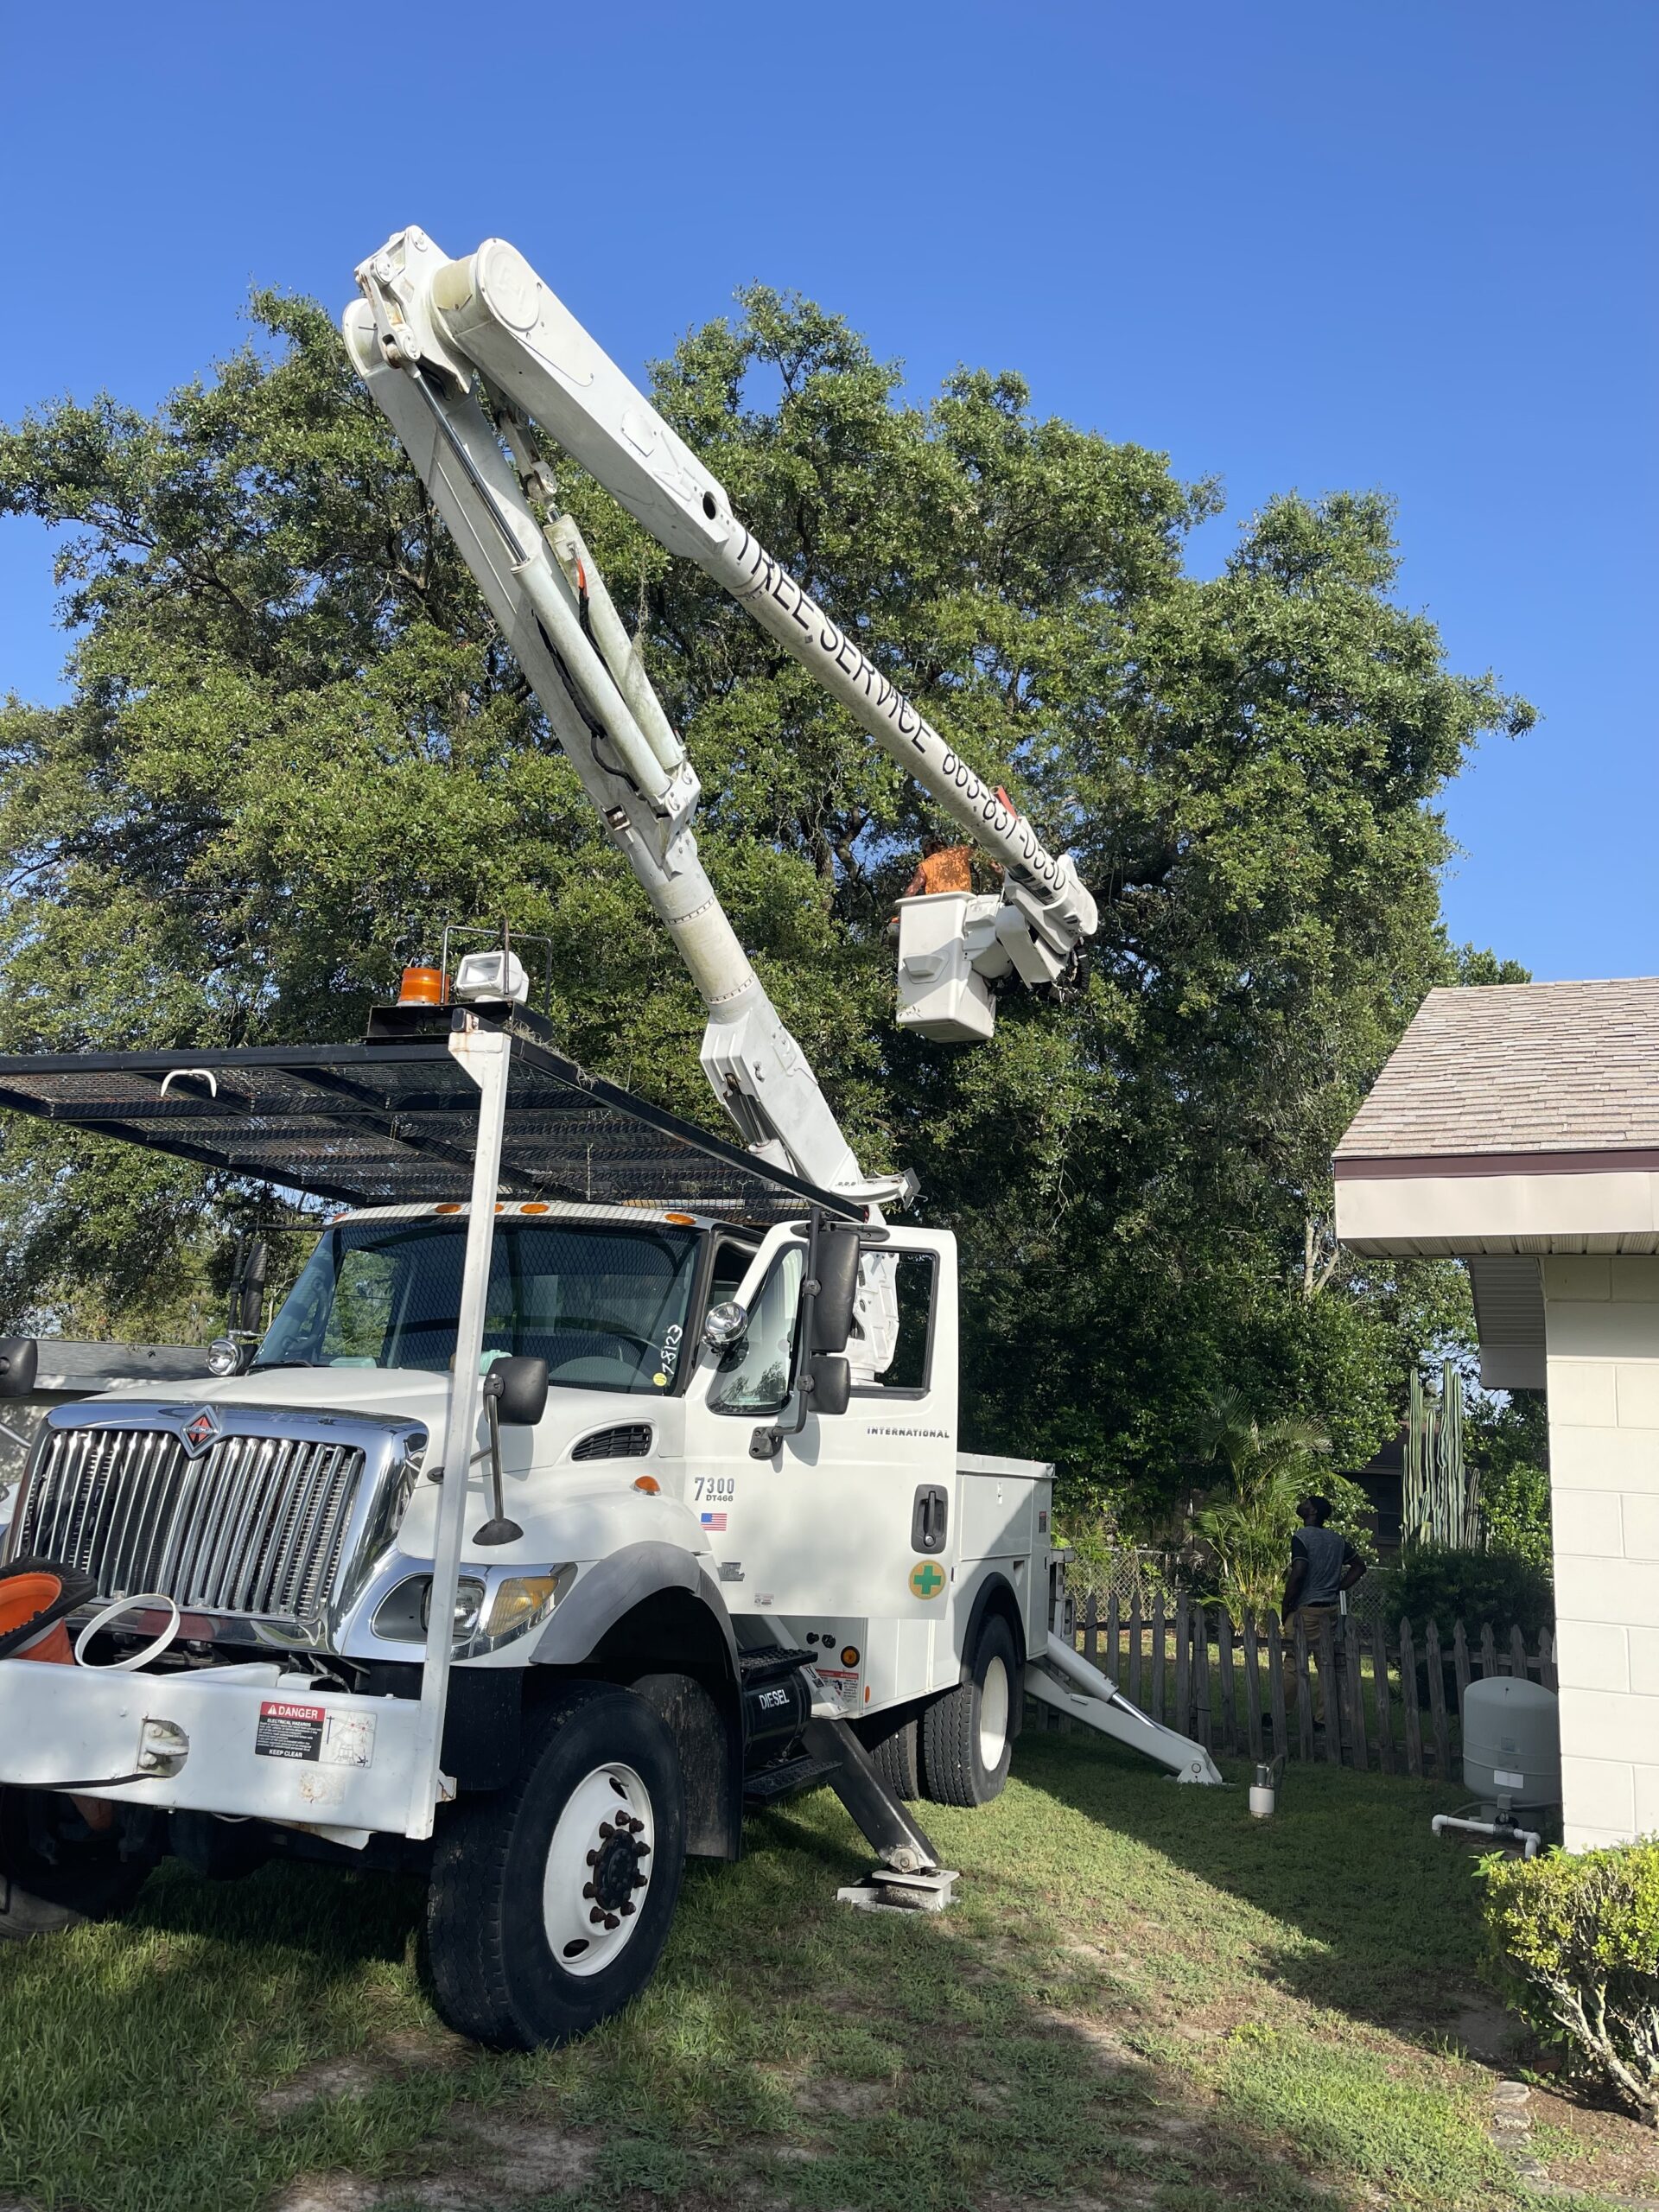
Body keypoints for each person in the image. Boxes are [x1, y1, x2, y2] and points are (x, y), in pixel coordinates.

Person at [1281, 1495, 1365, 1728]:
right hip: (1329, 1610)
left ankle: (1282, 1711)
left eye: (1306, 1502)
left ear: (1313, 1512)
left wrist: (1287, 1603)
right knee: (1326, 1664)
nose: (1302, 1504)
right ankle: (1323, 1718)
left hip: (1305, 1609)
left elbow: (1299, 1572)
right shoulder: (1337, 1539)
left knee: (1293, 1663)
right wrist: (1339, 1587)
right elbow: (1359, 1566)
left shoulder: (1302, 1537)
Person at [901, 835, 975, 899]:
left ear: (928, 848)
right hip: (962, 904)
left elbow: (912, 890)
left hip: (937, 908)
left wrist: (901, 910)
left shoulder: (926, 864)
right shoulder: (960, 852)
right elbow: (980, 851)